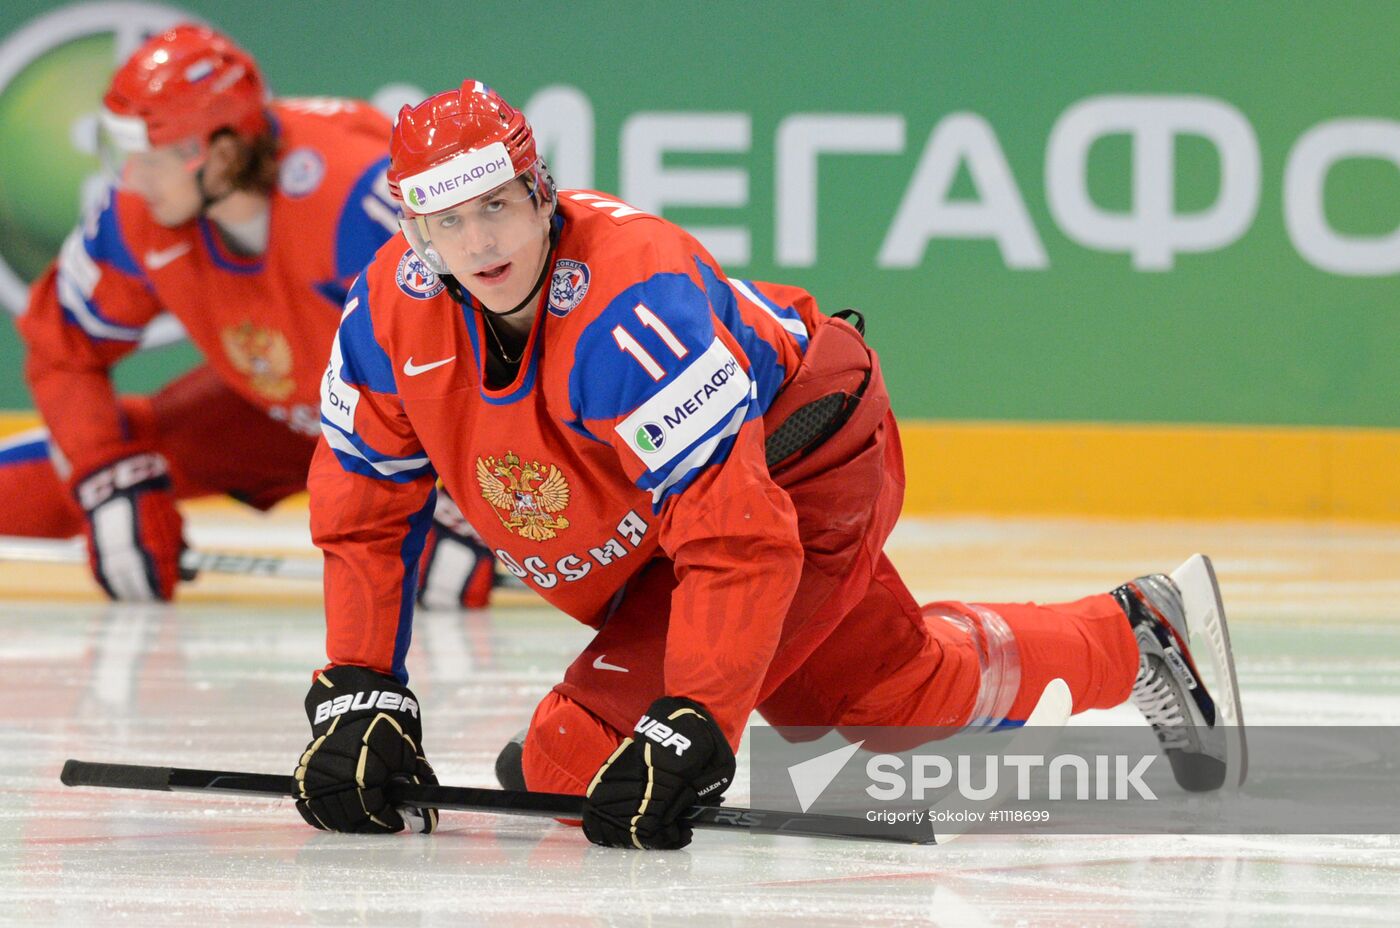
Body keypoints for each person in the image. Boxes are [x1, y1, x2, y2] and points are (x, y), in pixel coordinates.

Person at [291, 80, 1241, 848]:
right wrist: (361, 685)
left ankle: (608, 720)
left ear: (541, 193)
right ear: (412, 233)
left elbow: (736, 536)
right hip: (676, 512)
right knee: (884, 703)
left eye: (497, 206)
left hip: (800, 467)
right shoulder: (386, 314)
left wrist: (692, 719)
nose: (480, 243)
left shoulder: (632, 306)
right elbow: (363, 512)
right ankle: (1137, 632)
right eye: (447, 221)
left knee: (574, 760)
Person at [1, 25, 499, 607]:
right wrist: (107, 478)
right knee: (98, 456)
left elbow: (502, 341)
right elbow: (64, 350)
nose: (132, 178)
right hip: (281, 410)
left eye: (150, 156)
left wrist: (472, 499)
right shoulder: (137, 215)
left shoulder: (357, 194)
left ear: (224, 152)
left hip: (427, 422)